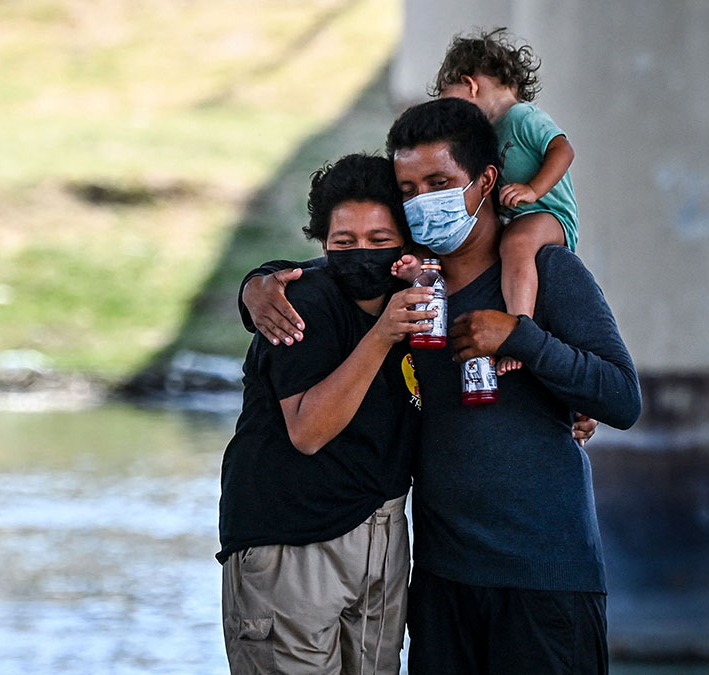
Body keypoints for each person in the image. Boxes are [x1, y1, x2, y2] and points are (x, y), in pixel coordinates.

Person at [243, 98, 641, 673]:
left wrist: (521, 338)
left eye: (439, 181)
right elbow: (328, 264)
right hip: (440, 585)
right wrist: (254, 288)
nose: (422, 201)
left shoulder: (548, 272)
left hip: (546, 581)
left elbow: (622, 398)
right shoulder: (398, 284)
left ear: (485, 181)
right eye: (408, 189)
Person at [218, 153, 435, 675]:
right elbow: (309, 431)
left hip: (381, 532)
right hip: (292, 541)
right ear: (322, 243)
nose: (362, 254)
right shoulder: (301, 306)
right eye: (344, 242)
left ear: (406, 242)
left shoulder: (424, 299)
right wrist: (383, 334)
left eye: (380, 241)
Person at [433, 28, 579, 375]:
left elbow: (562, 149)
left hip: (549, 214)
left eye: (449, 100)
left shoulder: (523, 116)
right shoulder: (492, 132)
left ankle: (520, 332)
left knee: (517, 243)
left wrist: (533, 189)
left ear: (469, 84)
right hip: (520, 217)